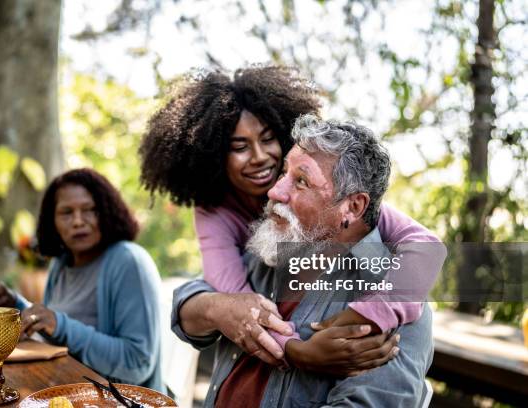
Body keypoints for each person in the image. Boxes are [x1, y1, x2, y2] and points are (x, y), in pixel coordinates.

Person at [139, 66, 443, 360]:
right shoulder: (214, 211)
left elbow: (426, 247)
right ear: (215, 154)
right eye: (240, 146)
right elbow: (236, 299)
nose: (260, 157)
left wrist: (367, 315)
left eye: (268, 138)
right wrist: (296, 350)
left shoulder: (319, 194)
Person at [172, 116, 439, 407]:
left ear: (352, 207)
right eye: (284, 173)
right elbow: (184, 307)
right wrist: (218, 308)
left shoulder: (393, 298)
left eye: (300, 181)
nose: (274, 191)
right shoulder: (269, 254)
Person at [0, 169, 164, 392]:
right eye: (66, 212)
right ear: (52, 221)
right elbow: (55, 329)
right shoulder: (62, 263)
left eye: (90, 210)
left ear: (107, 212)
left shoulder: (128, 261)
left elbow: (138, 363)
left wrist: (60, 325)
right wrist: (16, 306)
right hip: (64, 390)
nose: (77, 221)